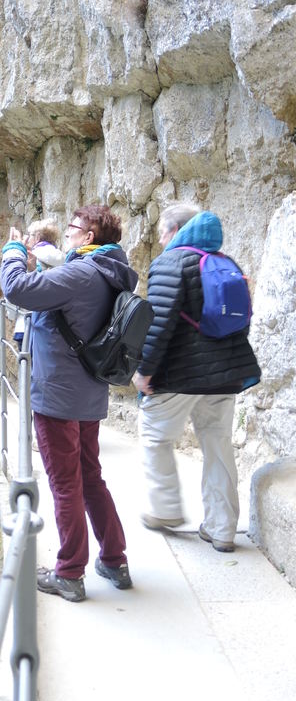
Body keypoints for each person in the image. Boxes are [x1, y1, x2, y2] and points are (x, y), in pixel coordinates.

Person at [1, 204, 136, 602]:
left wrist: (13, 251)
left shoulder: (81, 273)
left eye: (73, 227)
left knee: (65, 484)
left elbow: (18, 289)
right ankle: (114, 559)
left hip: (59, 395)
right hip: (88, 392)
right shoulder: (109, 272)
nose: (68, 232)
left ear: (89, 236)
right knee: (90, 477)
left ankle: (70, 573)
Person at [133, 204, 260, 552]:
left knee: (154, 436)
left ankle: (164, 509)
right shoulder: (226, 262)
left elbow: (158, 324)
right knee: (218, 446)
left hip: (180, 375)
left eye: (162, 233)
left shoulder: (169, 263)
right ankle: (222, 529)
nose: (160, 240)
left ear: (176, 230)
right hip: (225, 376)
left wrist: (145, 371)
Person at [11, 218, 65, 349]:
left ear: (38, 237)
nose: (27, 238)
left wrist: (11, 314)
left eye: (30, 235)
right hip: (56, 324)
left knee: (27, 359)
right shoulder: (64, 259)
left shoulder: (30, 257)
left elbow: (17, 287)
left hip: (27, 322)